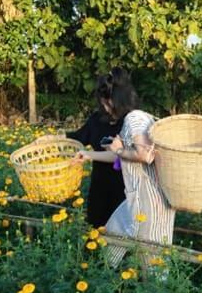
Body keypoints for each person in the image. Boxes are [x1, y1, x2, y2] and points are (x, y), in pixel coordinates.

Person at [73, 68, 175, 271]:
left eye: (106, 100)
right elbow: (126, 154)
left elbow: (145, 155)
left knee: (153, 263)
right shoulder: (141, 117)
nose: (104, 105)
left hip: (147, 200)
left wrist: (119, 150)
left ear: (116, 98)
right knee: (112, 243)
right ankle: (106, 281)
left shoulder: (133, 118)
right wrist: (92, 155)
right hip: (136, 198)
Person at [63, 74, 127, 227]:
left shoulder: (130, 121)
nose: (106, 108)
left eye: (110, 104)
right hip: (99, 188)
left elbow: (118, 155)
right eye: (104, 103)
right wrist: (51, 138)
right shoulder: (96, 119)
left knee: (121, 238)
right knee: (95, 229)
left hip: (124, 190)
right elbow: (78, 137)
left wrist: (89, 155)